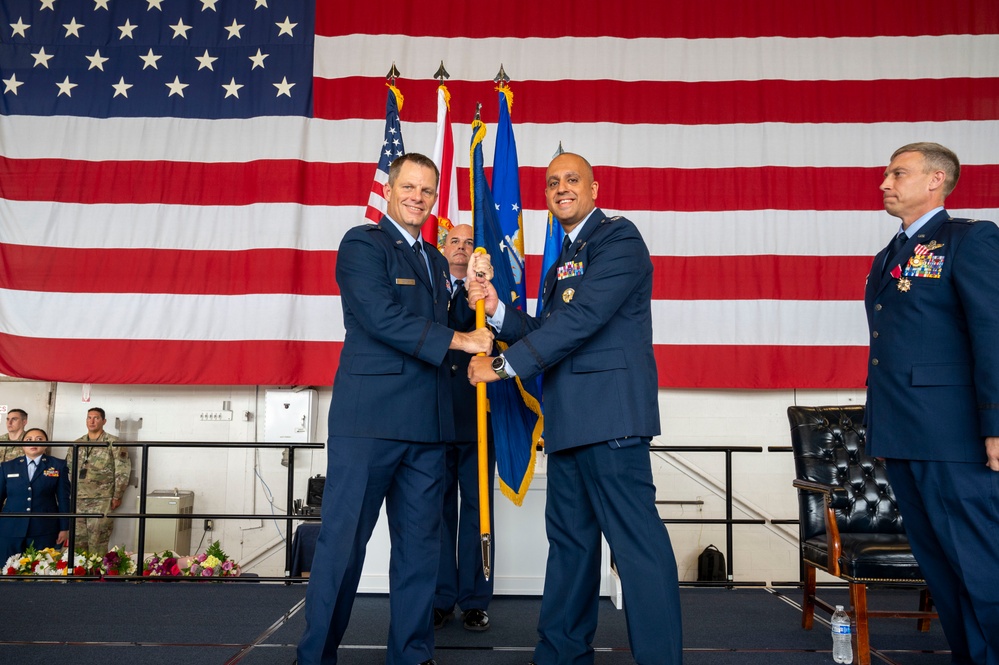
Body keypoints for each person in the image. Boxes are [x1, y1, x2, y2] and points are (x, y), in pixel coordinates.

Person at [467, 152, 683, 665]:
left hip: (610, 422)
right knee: (570, 550)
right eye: (552, 183)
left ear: (594, 188)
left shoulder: (618, 239)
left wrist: (502, 368)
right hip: (567, 426)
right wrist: (497, 310)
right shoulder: (565, 252)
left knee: (636, 551)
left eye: (572, 179)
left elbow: (583, 319)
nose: (561, 188)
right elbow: (549, 331)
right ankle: (560, 656)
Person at [297, 153, 494, 665]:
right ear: (389, 190)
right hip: (370, 426)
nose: (417, 197)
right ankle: (314, 657)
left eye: (427, 191)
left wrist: (476, 291)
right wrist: (460, 338)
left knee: (419, 558)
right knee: (342, 552)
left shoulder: (433, 258)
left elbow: (455, 323)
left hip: (427, 431)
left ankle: (412, 655)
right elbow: (382, 318)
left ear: (434, 199)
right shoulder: (362, 243)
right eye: (409, 187)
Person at [864, 142, 999, 665]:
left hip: (954, 435)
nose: (885, 182)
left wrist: (995, 423)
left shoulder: (970, 240)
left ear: (936, 180)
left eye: (899, 172)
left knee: (981, 567)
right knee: (942, 570)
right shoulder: (889, 255)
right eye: (886, 173)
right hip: (902, 434)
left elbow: (992, 331)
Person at [433, 223, 495, 633]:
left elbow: (501, 337)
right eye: (454, 241)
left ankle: (475, 599)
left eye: (469, 242)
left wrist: (483, 292)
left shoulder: (486, 294)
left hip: (476, 417)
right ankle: (440, 597)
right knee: (436, 513)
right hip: (435, 416)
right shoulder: (430, 286)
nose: (461, 247)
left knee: (478, 512)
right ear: (442, 247)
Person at [0, 428, 71, 562]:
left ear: (46, 444)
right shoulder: (7, 467)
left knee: (40, 571)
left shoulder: (58, 465)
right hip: (10, 528)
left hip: (43, 529)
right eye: (29, 439)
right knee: (6, 571)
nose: (34, 442)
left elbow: (63, 499)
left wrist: (64, 528)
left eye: (39, 439)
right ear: (22, 444)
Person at [67, 408, 131, 555]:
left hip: (101, 500)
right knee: (77, 544)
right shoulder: (77, 443)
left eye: (96, 418)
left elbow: (122, 471)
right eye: (89, 417)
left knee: (97, 544)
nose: (92, 421)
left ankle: (97, 577)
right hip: (78, 500)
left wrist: (117, 496)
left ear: (104, 421)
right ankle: (79, 576)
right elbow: (69, 470)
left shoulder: (113, 442)